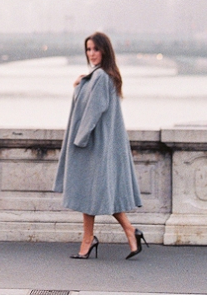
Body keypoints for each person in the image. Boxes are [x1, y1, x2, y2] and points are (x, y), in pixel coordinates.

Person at [53, 31, 146, 260]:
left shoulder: (101, 77)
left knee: (91, 191)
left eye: (95, 49)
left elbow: (93, 111)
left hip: (93, 145)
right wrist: (79, 84)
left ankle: (90, 240)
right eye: (88, 49)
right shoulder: (100, 76)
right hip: (100, 143)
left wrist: (80, 139)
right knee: (98, 193)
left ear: (104, 50)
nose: (91, 53)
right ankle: (129, 232)